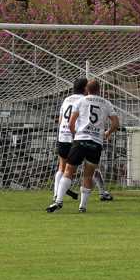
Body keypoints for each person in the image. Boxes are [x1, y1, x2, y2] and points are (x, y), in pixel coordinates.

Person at [47, 79, 120, 213]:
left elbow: (70, 123)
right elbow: (116, 123)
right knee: (88, 175)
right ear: (99, 90)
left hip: (79, 140)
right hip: (96, 142)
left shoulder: (80, 101)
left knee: (68, 170)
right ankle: (83, 206)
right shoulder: (106, 103)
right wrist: (107, 133)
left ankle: (58, 201)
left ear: (87, 89)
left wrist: (76, 135)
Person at [52, 78, 87, 203]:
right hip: (76, 137)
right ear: (85, 88)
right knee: (75, 169)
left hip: (63, 135)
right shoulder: (84, 100)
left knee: (61, 167)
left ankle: (56, 194)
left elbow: (60, 120)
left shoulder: (67, 99)